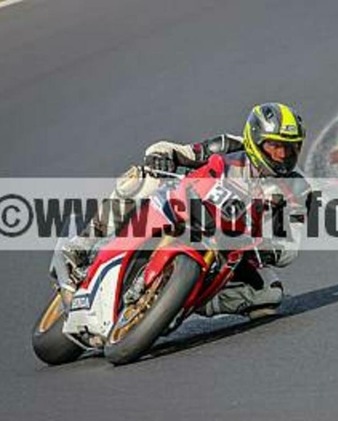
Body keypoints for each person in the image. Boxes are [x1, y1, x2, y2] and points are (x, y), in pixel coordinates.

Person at [57, 102, 309, 319]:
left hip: (233, 244)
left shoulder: (298, 189)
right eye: (275, 146)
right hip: (188, 205)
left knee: (269, 293)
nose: (282, 155)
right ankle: (82, 243)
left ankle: (177, 303)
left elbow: (290, 244)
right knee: (141, 179)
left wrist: (268, 248)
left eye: (290, 148)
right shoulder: (229, 147)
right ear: (255, 140)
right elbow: (177, 151)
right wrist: (159, 156)